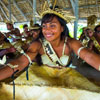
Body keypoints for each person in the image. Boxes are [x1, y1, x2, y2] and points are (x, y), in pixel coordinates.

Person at [0, 6, 100, 99]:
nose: (47, 30)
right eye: (44, 26)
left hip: (65, 76)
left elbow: (89, 56)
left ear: (62, 28)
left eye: (52, 26)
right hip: (40, 76)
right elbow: (21, 62)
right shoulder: (38, 44)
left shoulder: (71, 43)